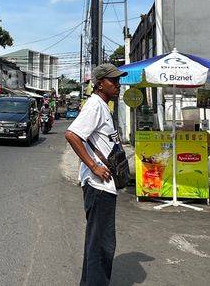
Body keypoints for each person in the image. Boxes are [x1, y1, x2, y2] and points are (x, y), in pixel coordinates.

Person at [65, 63, 127, 286]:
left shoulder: (103, 106)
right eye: (114, 81)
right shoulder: (95, 106)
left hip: (104, 186)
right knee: (101, 243)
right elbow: (72, 135)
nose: (118, 85)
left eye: (118, 80)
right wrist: (94, 166)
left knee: (99, 242)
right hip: (98, 185)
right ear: (100, 84)